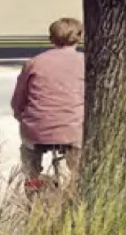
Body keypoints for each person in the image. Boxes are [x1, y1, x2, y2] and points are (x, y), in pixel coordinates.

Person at [11, 16, 85, 183]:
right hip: (72, 127)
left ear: (51, 38)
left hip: (36, 128)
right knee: (76, 165)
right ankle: (73, 186)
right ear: (79, 37)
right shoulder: (86, 62)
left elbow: (18, 100)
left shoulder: (34, 63)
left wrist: (20, 115)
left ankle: (32, 183)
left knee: (29, 155)